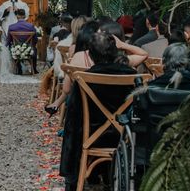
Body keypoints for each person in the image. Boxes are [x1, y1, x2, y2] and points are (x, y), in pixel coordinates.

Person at [59, 32, 141, 190]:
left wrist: (69, 170)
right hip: (125, 136)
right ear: (116, 52)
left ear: (90, 55)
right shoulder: (133, 76)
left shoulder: (84, 78)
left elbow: (73, 120)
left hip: (92, 137)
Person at [6, 8, 38, 74]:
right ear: (24, 16)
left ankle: (19, 67)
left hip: (16, 50)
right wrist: (31, 46)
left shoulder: (11, 27)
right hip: (29, 49)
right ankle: (34, 68)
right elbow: (35, 39)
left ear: (17, 16)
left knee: (11, 47)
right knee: (35, 49)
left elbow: (8, 40)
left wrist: (12, 45)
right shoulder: (31, 26)